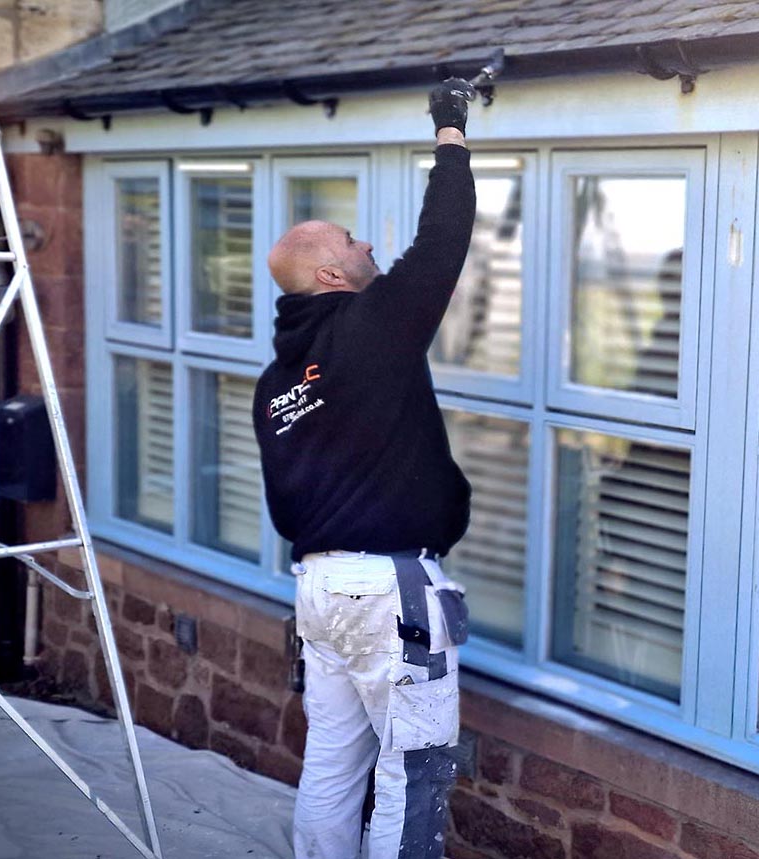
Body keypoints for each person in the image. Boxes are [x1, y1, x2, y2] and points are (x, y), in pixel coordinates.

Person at [252, 79, 477, 859]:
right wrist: (449, 128)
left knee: (332, 764)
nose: (369, 247)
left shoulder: (278, 382)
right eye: (352, 240)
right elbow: (441, 241)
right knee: (413, 774)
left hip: (320, 594)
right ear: (330, 275)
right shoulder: (369, 329)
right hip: (390, 594)